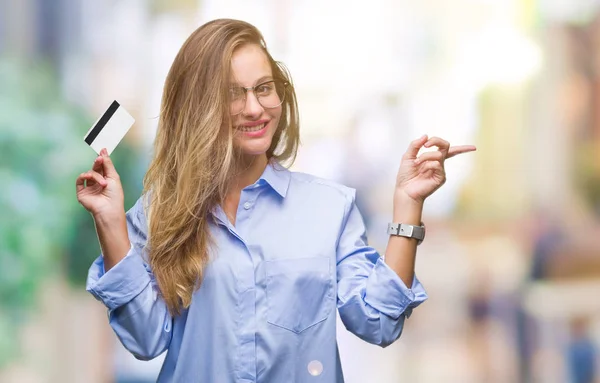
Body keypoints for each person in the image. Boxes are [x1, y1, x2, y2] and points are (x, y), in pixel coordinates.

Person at [76, 18, 476, 383]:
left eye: (263, 88)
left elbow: (378, 323)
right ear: (200, 105)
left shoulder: (328, 208)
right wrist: (110, 221)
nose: (255, 108)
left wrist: (408, 204)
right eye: (234, 94)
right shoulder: (159, 213)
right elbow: (144, 340)